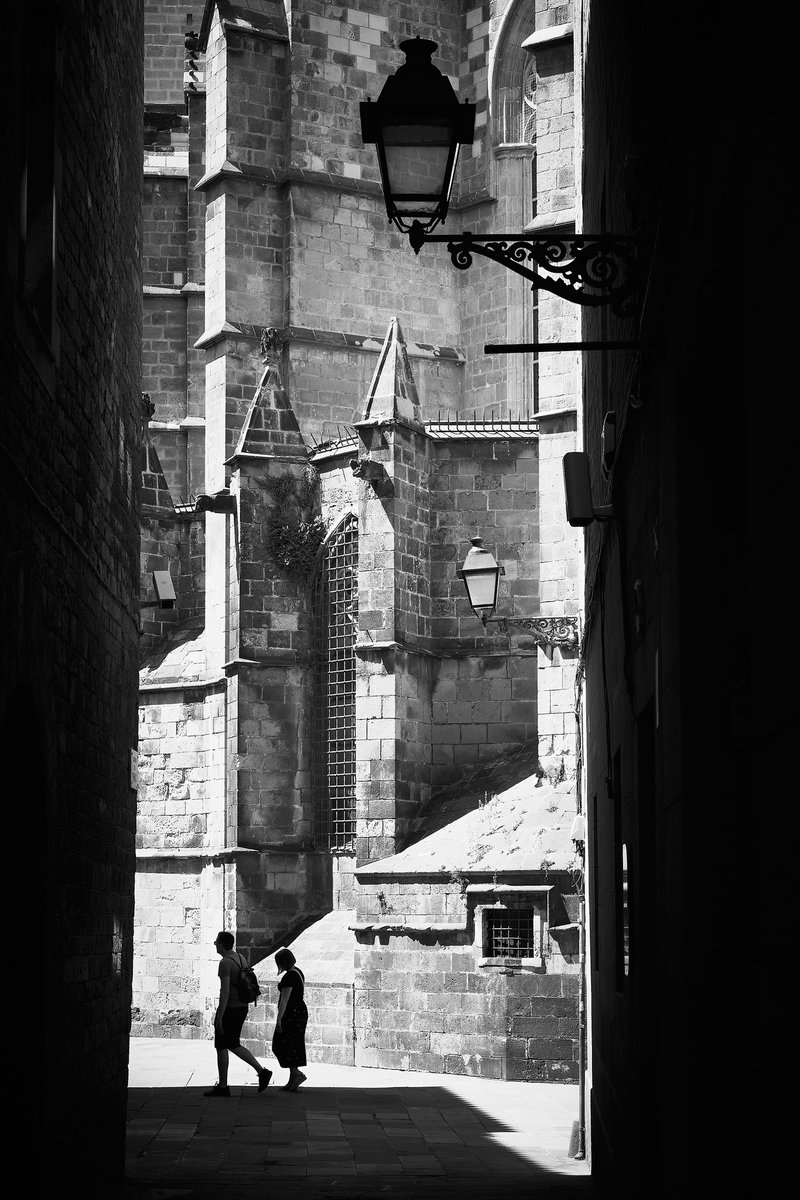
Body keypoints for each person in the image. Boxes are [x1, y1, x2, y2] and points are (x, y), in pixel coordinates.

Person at [204, 931, 272, 1097]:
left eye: (216, 942)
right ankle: (256, 1073)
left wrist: (219, 1016)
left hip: (231, 1008)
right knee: (231, 1043)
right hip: (242, 1007)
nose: (215, 945)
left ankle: (224, 1086)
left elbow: (225, 991)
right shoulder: (240, 957)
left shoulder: (225, 963)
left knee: (224, 1045)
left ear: (220, 944)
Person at [272, 946, 308, 1091]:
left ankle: (296, 1073)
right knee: (292, 1044)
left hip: (292, 1013)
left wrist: (279, 1019)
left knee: (281, 1044)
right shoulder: (298, 972)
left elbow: (285, 1000)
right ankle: (293, 1078)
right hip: (299, 1011)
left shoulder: (289, 977)